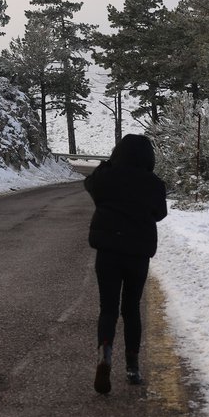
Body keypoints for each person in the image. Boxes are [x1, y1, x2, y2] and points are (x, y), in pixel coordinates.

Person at [83, 134, 167, 394]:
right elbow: (160, 213)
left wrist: (108, 165)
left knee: (107, 308)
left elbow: (90, 184)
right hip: (137, 253)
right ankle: (132, 368)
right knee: (131, 309)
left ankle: (105, 354)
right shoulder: (153, 183)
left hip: (108, 251)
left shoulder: (106, 177)